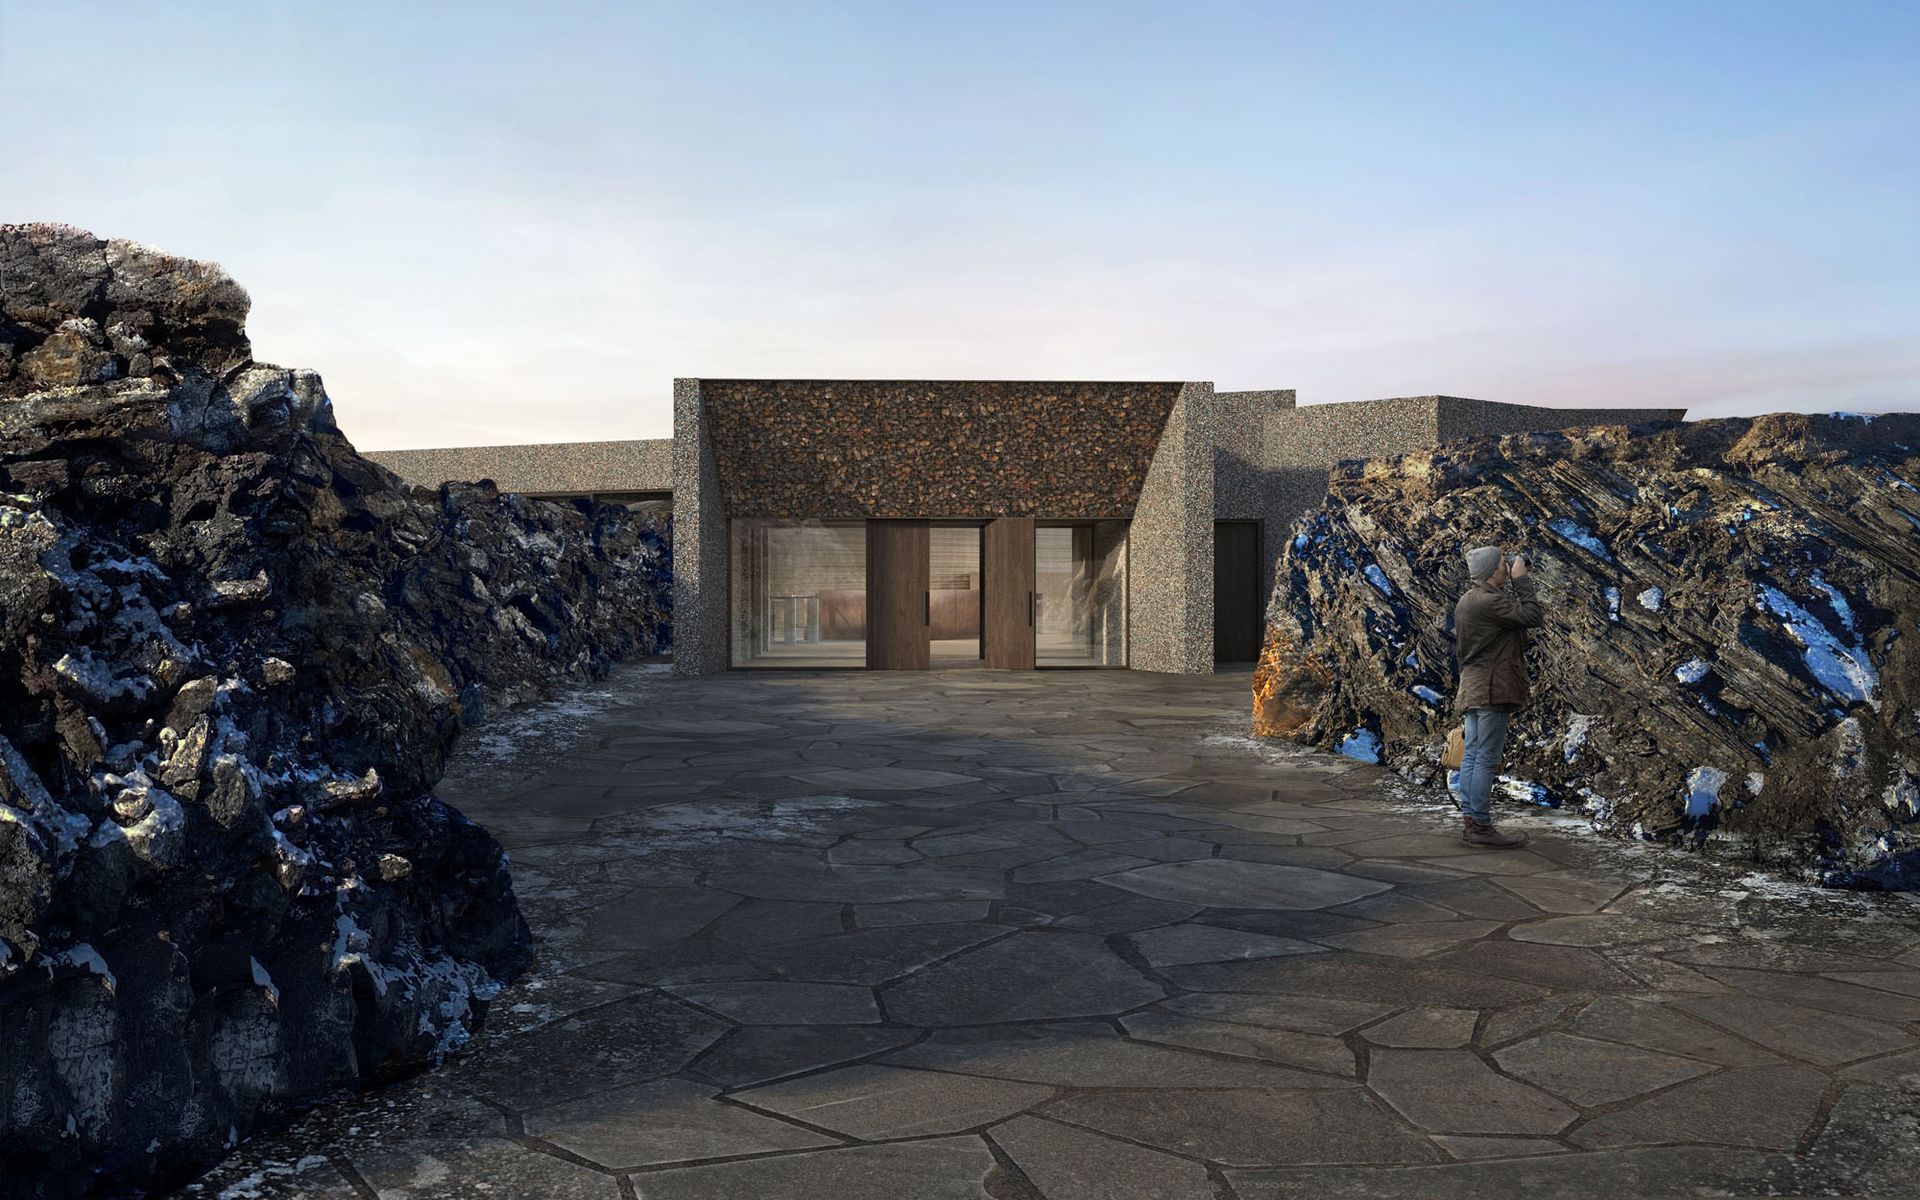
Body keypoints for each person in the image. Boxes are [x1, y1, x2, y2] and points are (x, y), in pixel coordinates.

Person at [1450, 544, 1543, 848]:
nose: (1508, 566)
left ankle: (1471, 820)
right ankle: (1480, 826)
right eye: (1504, 563)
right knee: (1485, 757)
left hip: (1475, 685)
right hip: (1491, 687)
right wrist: (1521, 580)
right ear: (1491, 571)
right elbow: (1532, 615)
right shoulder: (1488, 601)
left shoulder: (1468, 600)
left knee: (1474, 755)